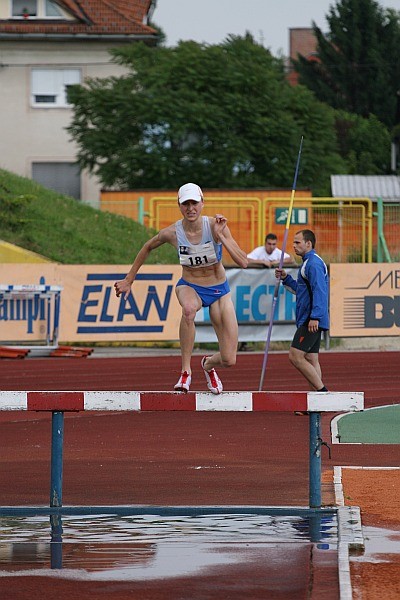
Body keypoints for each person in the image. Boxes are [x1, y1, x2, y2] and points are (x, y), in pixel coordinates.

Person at [114, 182, 248, 394]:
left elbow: (243, 262)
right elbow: (147, 246)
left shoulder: (215, 226)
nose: (190, 208)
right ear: (179, 206)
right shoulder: (172, 233)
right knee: (188, 310)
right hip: (190, 286)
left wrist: (221, 236)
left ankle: (207, 364)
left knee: (229, 359)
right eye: (185, 204)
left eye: (194, 203)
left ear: (202, 203)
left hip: (218, 291)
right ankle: (186, 372)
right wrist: (129, 279)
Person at [275, 229, 329, 394]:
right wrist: (286, 278)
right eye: (293, 242)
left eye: (297, 242)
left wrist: (316, 317)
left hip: (311, 319)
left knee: (295, 356)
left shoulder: (313, 264)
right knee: (311, 359)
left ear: (308, 244)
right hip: (310, 317)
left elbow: (320, 291)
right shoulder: (307, 263)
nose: (293, 246)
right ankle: (316, 402)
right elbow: (301, 290)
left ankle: (322, 394)